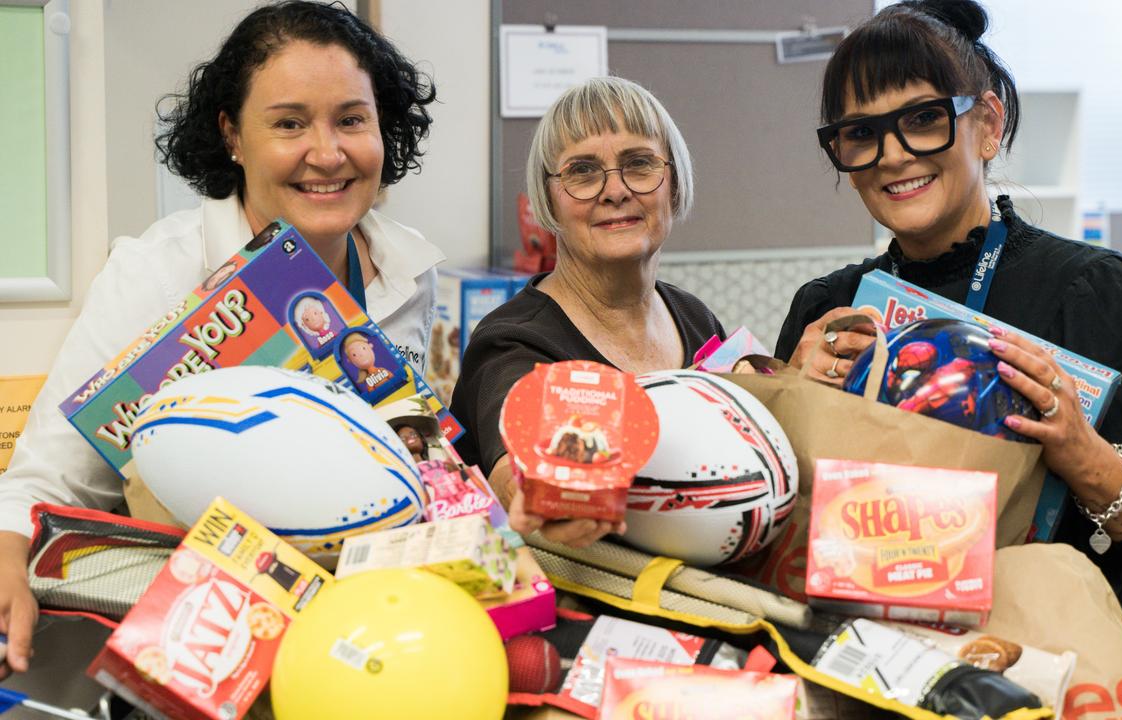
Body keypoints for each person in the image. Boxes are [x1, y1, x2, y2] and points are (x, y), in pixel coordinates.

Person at [774, 1, 1122, 714]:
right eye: (860, 134)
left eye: (922, 119)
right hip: (882, 687)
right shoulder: (829, 313)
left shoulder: (1102, 295)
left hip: (1079, 686)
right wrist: (789, 403)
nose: (891, 154)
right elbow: (765, 535)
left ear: (986, 123)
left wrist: (1097, 466)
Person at [0, 0, 445, 677]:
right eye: (289, 123)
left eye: (352, 119)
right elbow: (45, 481)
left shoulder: (408, 270)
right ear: (232, 135)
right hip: (206, 631)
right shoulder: (157, 273)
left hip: (364, 625)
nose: (327, 154)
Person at [451, 77, 724, 549]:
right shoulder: (513, 344)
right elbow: (516, 469)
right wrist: (544, 496)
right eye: (582, 172)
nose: (614, 191)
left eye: (639, 164)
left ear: (673, 183)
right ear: (549, 200)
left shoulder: (695, 319)